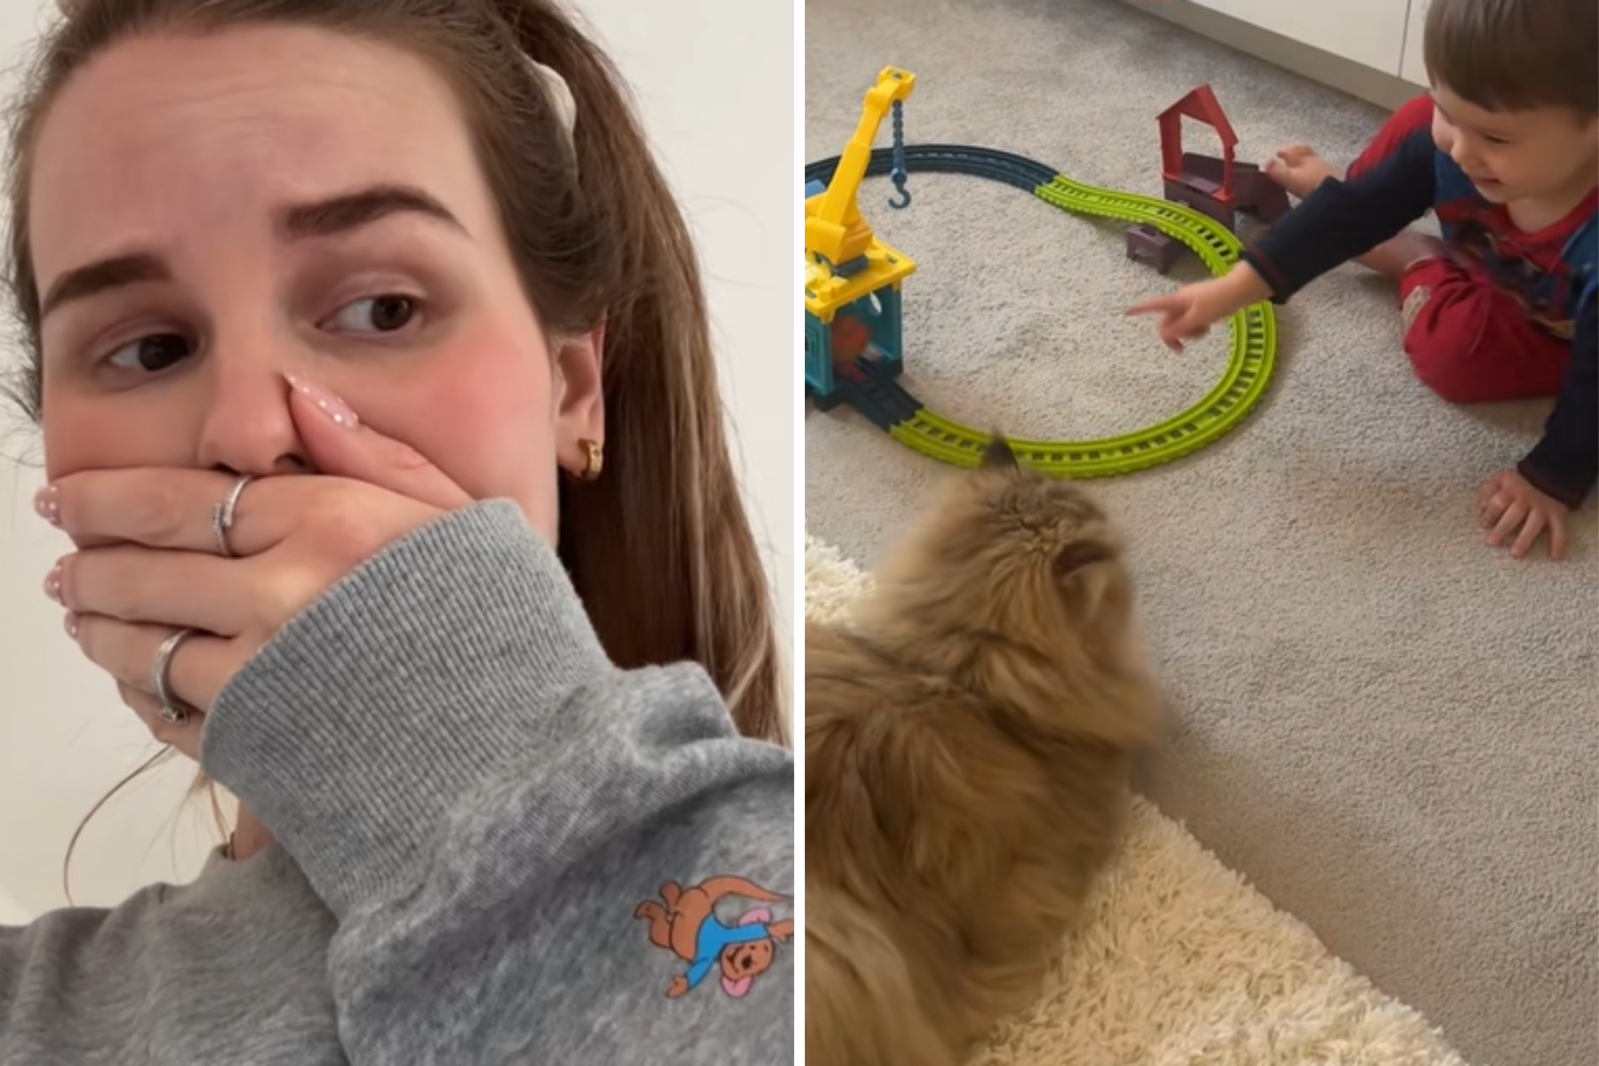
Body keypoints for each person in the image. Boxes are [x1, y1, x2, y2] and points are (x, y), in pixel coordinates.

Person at [0, 0, 794, 1062]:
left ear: (572, 385)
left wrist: (478, 764)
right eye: (149, 350)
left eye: (383, 309)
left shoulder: (838, 870)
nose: (248, 430)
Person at [1129, 0, 1597, 562]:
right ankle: (1364, 199)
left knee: (1456, 355)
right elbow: (1353, 212)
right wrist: (1236, 287)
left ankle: (1408, 255)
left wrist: (1553, 475)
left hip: (1559, 317)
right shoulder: (1455, 146)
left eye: (1496, 138)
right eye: (1451, 112)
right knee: (1412, 127)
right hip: (1492, 252)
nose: (1462, 150)